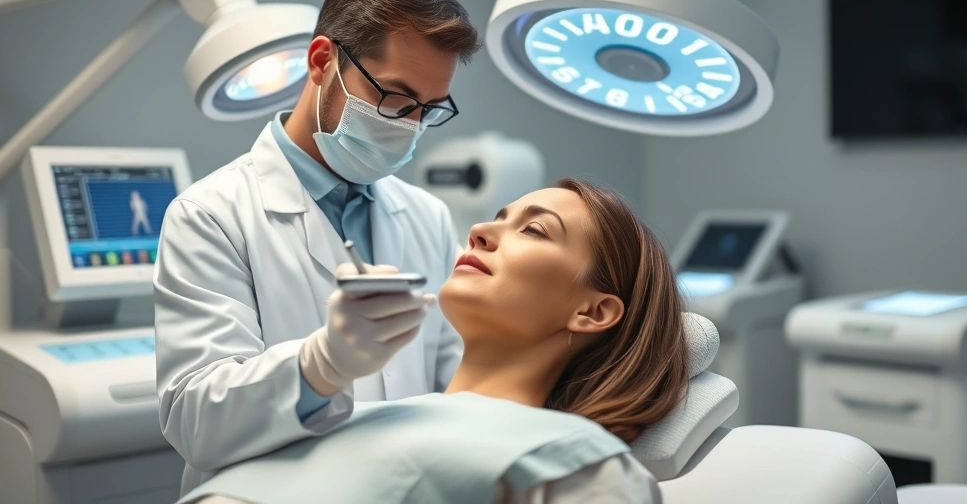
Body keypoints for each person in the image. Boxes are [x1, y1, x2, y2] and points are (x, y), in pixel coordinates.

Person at [154, 0, 481, 494]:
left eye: (428, 110)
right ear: (322, 61)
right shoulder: (211, 215)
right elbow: (196, 424)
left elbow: (457, 388)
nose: (410, 127)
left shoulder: (427, 216)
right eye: (395, 98)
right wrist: (321, 365)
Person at [176, 179, 690, 504]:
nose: (480, 230)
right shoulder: (342, 416)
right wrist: (324, 362)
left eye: (534, 230)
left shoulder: (575, 463)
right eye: (498, 217)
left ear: (593, 311)